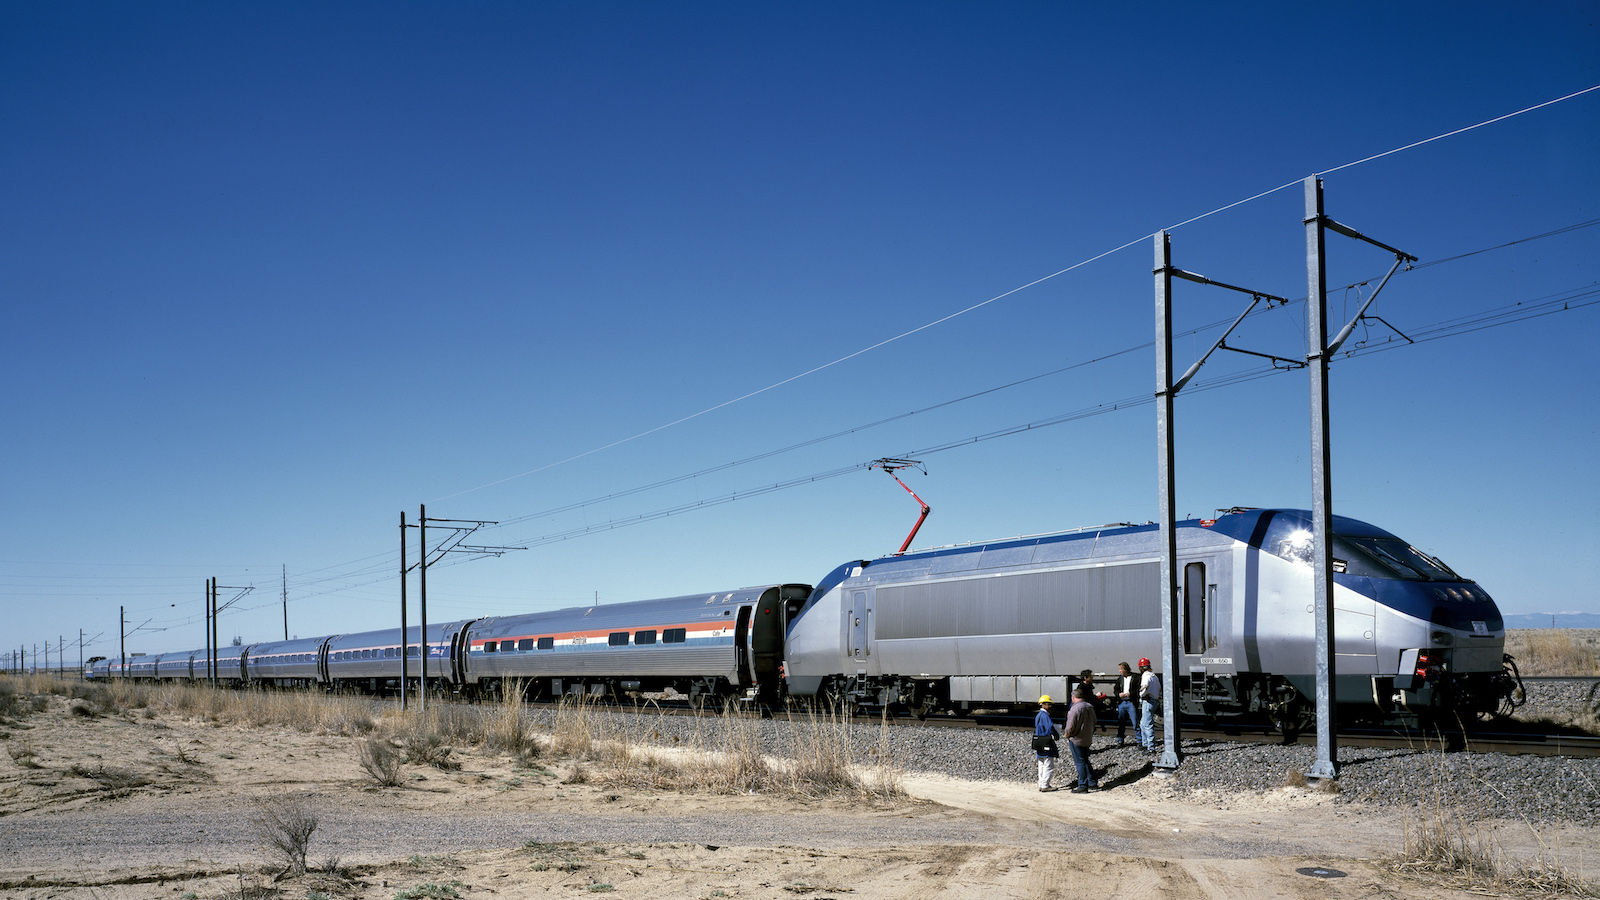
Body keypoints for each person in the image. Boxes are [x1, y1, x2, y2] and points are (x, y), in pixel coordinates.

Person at [1063, 684, 1099, 792]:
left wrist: (1067, 735)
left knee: (1080, 763)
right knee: (1085, 760)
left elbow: (1069, 727)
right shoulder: (1089, 706)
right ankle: (1092, 782)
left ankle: (1082, 785)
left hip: (1076, 739)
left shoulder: (1074, 709)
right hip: (1087, 738)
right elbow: (1095, 721)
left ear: (1073, 697)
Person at [1033, 694, 1063, 792]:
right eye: (1049, 704)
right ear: (1043, 705)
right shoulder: (1045, 715)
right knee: (1048, 764)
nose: (1050, 706)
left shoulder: (1038, 715)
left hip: (1038, 741)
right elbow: (1050, 727)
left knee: (1041, 763)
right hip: (1046, 741)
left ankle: (1041, 784)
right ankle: (1045, 785)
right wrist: (1056, 735)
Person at [1113, 661, 1140, 747]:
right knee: (1121, 722)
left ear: (1125, 669)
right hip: (1122, 703)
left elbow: (1139, 689)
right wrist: (1118, 694)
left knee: (1135, 722)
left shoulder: (1135, 677)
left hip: (1130, 702)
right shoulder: (1120, 679)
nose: (1120, 671)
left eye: (1121, 669)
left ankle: (1140, 741)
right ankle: (1120, 741)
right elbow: (1115, 689)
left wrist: (1130, 693)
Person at [1138, 657, 1162, 753]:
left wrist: (1142, 695)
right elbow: (1159, 688)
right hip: (1154, 701)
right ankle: (1145, 743)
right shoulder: (1154, 676)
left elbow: (1144, 687)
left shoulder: (1145, 676)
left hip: (1147, 702)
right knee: (1143, 723)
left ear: (1142, 668)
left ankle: (1151, 748)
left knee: (1147, 725)